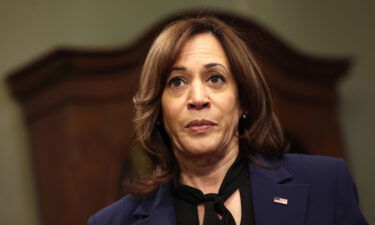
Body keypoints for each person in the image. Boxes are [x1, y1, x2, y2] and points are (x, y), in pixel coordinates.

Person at [88, 16, 368, 225]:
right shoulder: (112, 223)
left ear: (243, 100)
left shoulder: (326, 183)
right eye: (177, 82)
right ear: (159, 109)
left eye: (215, 78)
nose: (197, 98)